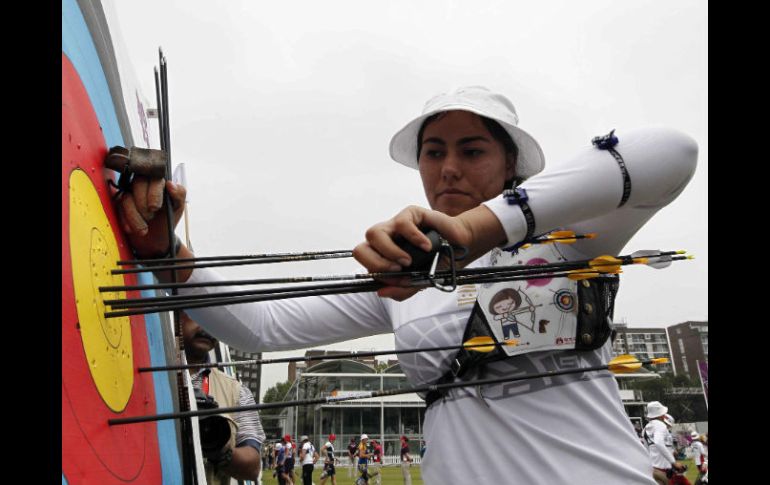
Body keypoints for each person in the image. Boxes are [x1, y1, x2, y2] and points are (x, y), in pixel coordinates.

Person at [118, 85, 698, 484]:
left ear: (510, 168)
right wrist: (166, 251)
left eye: (472, 151)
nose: (448, 168)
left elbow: (673, 151)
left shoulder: (567, 242)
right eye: (433, 152)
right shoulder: (407, 272)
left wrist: (474, 231)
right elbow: (264, 325)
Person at [181, 311, 265, 484]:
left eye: (214, 320)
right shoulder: (145, 377)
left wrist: (217, 449)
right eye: (197, 313)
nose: (206, 326)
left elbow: (253, 467)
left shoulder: (237, 391)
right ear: (175, 315)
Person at [643, 402, 687, 485]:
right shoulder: (660, 425)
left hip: (653, 470)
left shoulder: (644, 429)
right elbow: (658, 442)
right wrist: (674, 462)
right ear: (660, 414)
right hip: (665, 471)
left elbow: (646, 451)